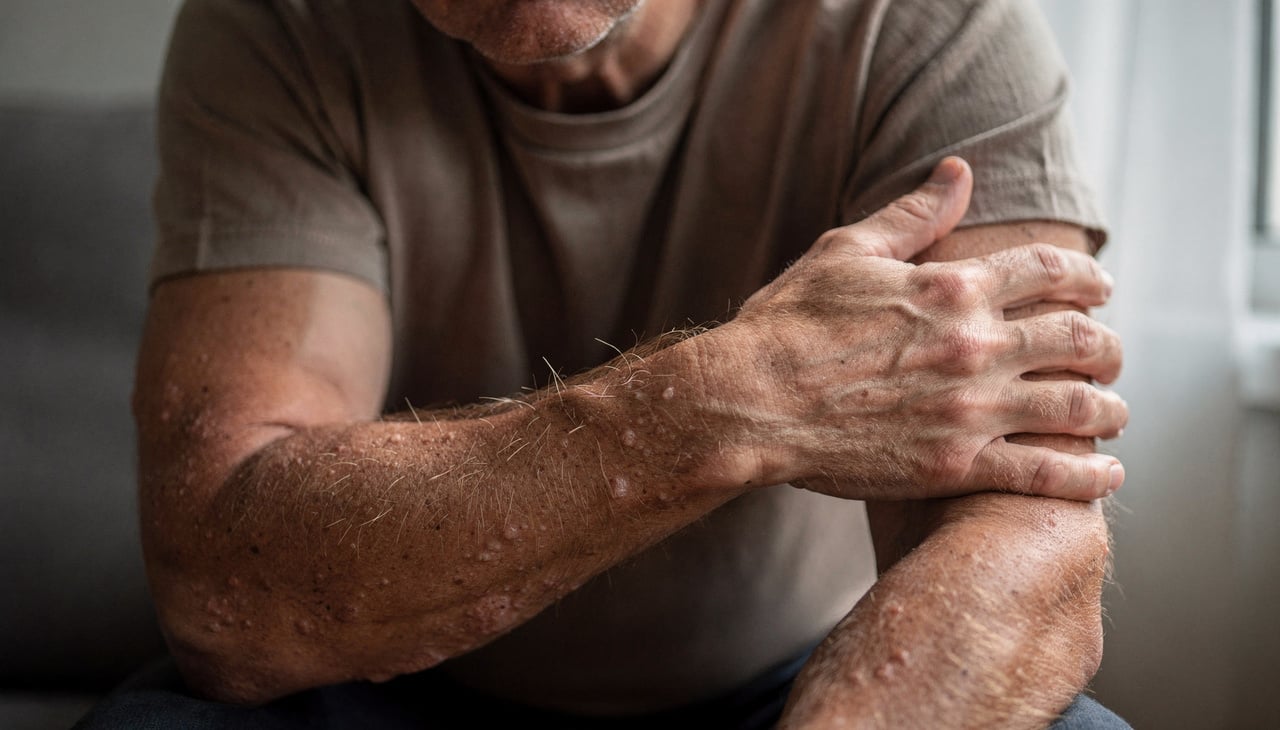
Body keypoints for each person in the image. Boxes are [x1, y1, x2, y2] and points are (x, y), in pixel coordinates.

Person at [78, 0, 1131, 727]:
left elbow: (1024, 543)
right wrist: (741, 397)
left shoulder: (924, 25)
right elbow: (224, 578)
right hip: (387, 688)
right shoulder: (277, 27)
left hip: (799, 683)